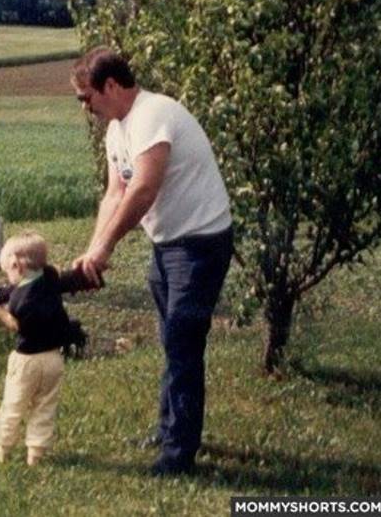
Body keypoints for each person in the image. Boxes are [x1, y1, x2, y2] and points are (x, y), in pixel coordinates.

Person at [71, 46, 233, 476]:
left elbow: (143, 189)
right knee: (172, 338)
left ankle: (179, 455)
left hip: (200, 243)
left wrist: (106, 248)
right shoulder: (117, 130)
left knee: (182, 340)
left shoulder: (152, 114)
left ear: (110, 85)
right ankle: (169, 432)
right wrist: (93, 248)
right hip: (168, 244)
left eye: (86, 98)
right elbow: (115, 193)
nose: (86, 108)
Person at [0, 231, 70, 466]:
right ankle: (35, 454)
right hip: (53, 359)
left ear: (16, 264)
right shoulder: (50, 278)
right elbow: (55, 269)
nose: (8, 278)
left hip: (26, 361)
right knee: (45, 406)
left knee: (13, 404)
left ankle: (4, 448)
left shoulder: (20, 297)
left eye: (8, 271)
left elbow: (15, 325)